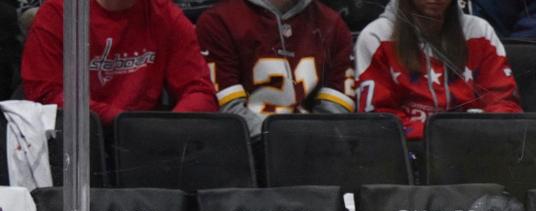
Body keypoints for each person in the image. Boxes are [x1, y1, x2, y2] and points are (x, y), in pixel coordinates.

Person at [21, 0, 217, 126]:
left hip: (144, 139)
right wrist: (122, 121)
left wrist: (169, 128)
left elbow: (199, 89)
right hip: (80, 136)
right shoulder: (60, 12)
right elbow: (45, 94)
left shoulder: (165, 14)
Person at [356, 0, 521, 141]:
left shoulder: (480, 32)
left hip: (476, 145)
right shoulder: (376, 36)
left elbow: (505, 103)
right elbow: (378, 121)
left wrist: (480, 127)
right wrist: (444, 134)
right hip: (408, 151)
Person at [195, 0, 356, 139]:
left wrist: (309, 146)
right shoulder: (219, 21)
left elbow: (336, 112)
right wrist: (275, 147)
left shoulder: (334, 25)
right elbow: (228, 110)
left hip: (312, 153)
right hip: (246, 154)